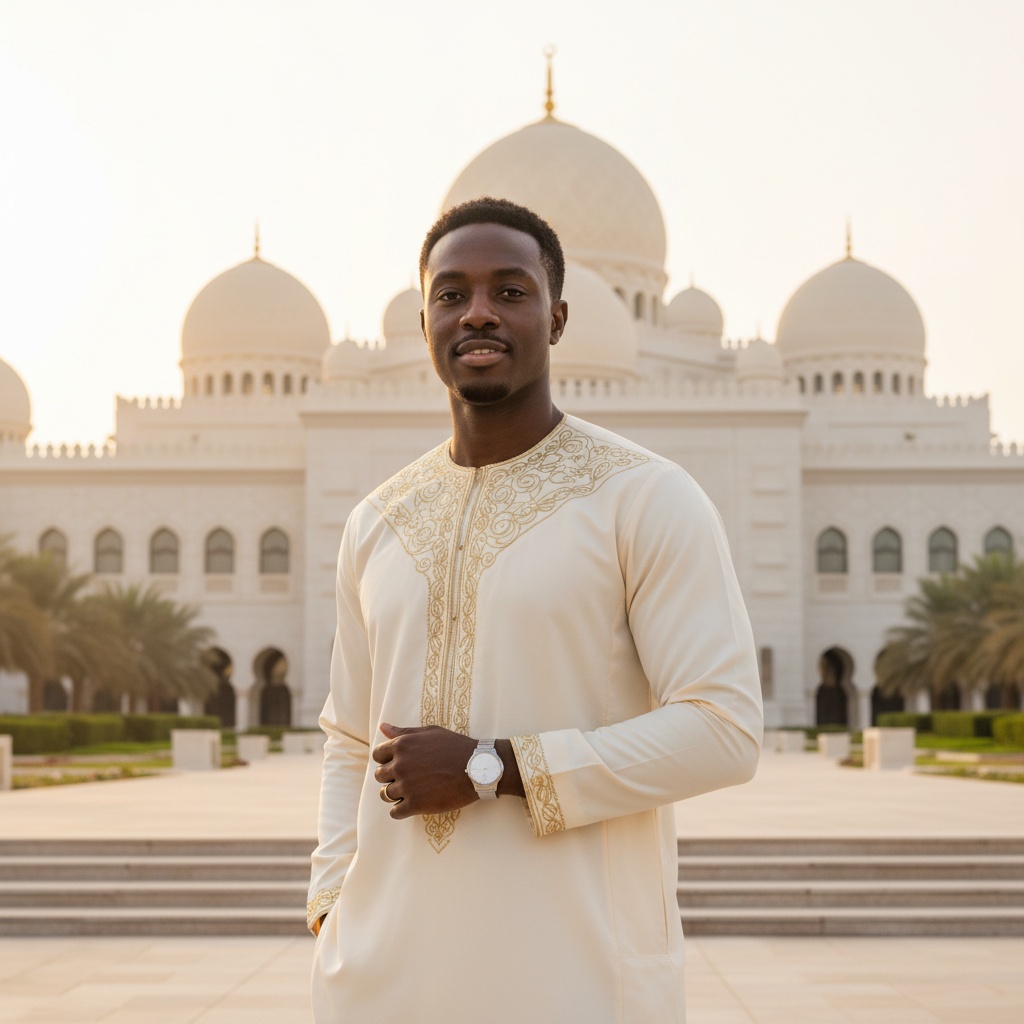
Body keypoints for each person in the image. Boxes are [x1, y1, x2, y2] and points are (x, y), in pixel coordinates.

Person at [308, 196, 763, 1023]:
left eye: (509, 291)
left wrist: (493, 765)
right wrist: (331, 899)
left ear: (557, 318)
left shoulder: (645, 497)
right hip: (381, 981)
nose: (478, 312)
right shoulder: (378, 520)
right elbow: (347, 737)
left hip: (575, 977)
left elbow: (724, 730)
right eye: (452, 293)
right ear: (423, 322)